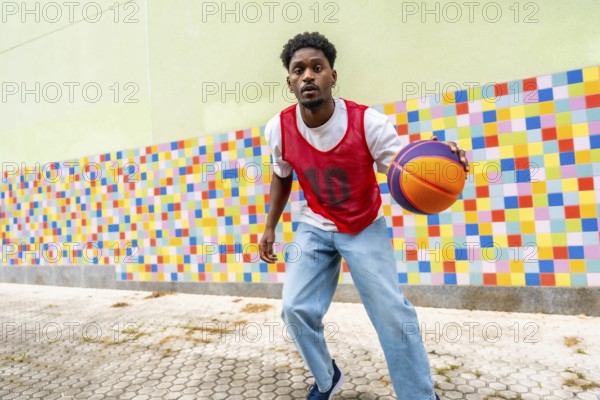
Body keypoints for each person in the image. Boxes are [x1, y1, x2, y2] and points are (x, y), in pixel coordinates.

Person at [259, 32, 469, 400]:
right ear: (289, 81)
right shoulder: (278, 128)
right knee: (294, 309)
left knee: (392, 314)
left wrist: (444, 158)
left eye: (317, 68)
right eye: (299, 70)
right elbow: (281, 175)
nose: (308, 75)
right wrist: (269, 228)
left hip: (363, 225)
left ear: (332, 76)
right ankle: (327, 379)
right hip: (314, 226)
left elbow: (406, 166)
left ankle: (419, 395)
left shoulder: (367, 122)